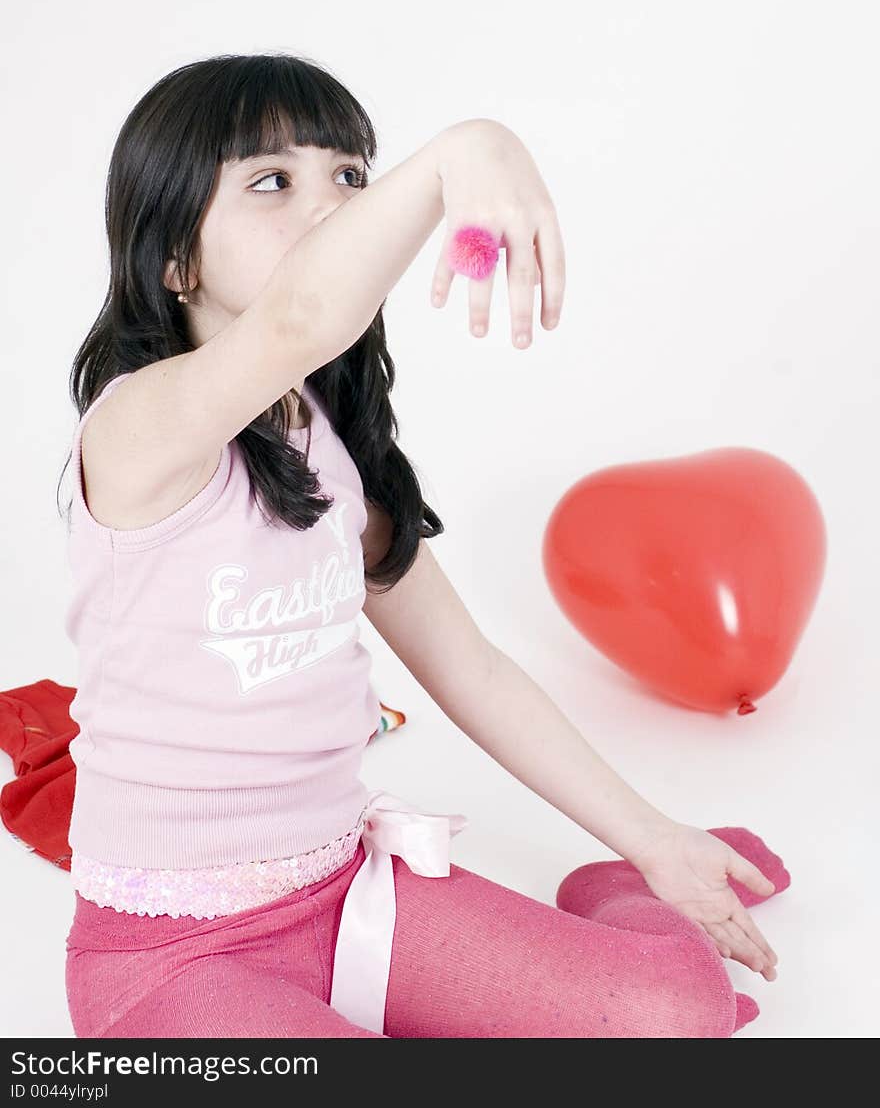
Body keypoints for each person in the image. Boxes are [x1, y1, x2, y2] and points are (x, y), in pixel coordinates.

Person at [61, 53, 786, 1039]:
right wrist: (472, 148)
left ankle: (612, 893)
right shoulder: (139, 427)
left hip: (347, 893)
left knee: (672, 1013)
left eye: (351, 177)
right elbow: (300, 314)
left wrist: (652, 840)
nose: (331, 210)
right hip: (174, 956)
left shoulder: (326, 444)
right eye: (273, 181)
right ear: (174, 260)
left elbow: (472, 670)